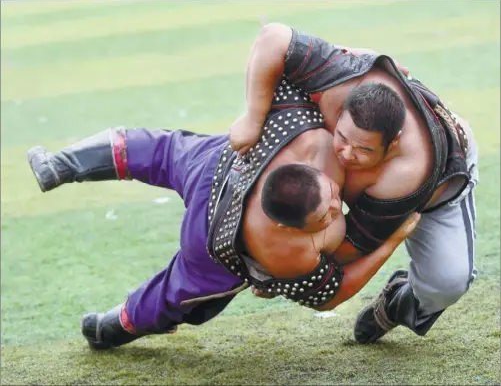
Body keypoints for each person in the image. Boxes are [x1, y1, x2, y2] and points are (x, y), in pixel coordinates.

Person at [27, 80, 419, 350]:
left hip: (215, 167)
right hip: (215, 245)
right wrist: (392, 240)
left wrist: (253, 116)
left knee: (160, 149)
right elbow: (332, 295)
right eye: (327, 213)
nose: (338, 208)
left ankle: (61, 165)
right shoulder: (286, 253)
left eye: (333, 197)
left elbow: (279, 49)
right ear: (289, 228)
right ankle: (107, 328)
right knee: (174, 294)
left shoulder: (308, 135)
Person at [230, 23, 478, 344]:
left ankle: (396, 304)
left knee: (447, 284)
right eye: (343, 138)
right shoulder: (341, 80)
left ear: (393, 144)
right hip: (370, 95)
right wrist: (253, 117)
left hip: (440, 184)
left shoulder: (404, 175)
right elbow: (273, 37)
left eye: (363, 149)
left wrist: (285, 270)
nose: (347, 154)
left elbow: (351, 248)